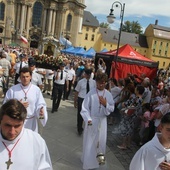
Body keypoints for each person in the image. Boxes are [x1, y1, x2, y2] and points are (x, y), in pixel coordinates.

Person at [0, 99, 52, 170]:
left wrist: (41, 115)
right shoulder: (12, 90)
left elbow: (45, 167)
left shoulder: (36, 141)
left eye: (17, 126)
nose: (12, 132)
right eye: (7, 125)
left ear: (23, 122)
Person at [80, 72, 115, 170]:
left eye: (103, 83)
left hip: (102, 122)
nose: (101, 84)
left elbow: (112, 108)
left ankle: (98, 162)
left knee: (101, 142)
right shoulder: (91, 93)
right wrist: (88, 119)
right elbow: (84, 108)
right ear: (96, 82)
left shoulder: (108, 94)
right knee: (90, 142)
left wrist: (105, 104)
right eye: (100, 82)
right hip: (92, 121)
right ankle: (88, 163)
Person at [3, 67, 48, 132]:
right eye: (23, 77)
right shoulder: (13, 90)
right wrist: (17, 105)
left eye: (27, 76)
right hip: (16, 122)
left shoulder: (36, 90)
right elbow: (5, 105)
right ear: (20, 78)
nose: (25, 79)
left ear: (30, 77)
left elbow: (41, 105)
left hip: (31, 122)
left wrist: (41, 113)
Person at [74, 68, 96, 135]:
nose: (88, 76)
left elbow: (95, 92)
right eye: (87, 74)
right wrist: (75, 101)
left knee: (88, 115)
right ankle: (79, 128)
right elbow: (77, 92)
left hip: (90, 100)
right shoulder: (81, 82)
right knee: (80, 114)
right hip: (82, 99)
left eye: (89, 74)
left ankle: (87, 128)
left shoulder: (93, 82)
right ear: (85, 74)